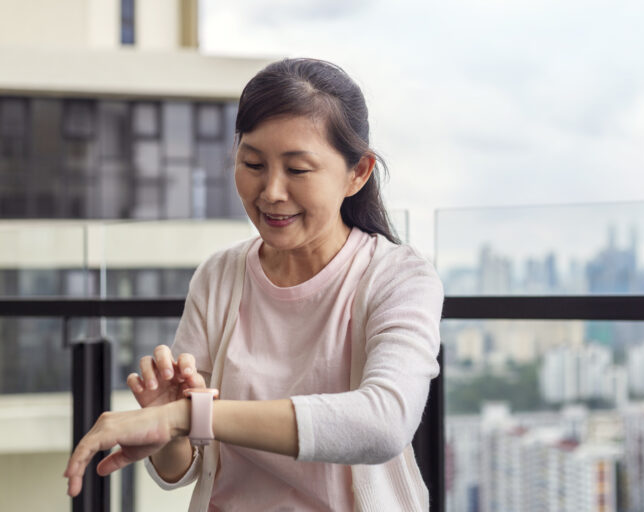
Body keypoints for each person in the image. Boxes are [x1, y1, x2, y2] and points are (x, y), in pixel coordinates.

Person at [63, 58, 444, 511]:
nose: (271, 192)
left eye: (298, 170)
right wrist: (166, 430)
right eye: (253, 163)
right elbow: (182, 469)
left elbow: (383, 423)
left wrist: (191, 414)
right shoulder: (219, 276)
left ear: (358, 173)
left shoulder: (399, 277)